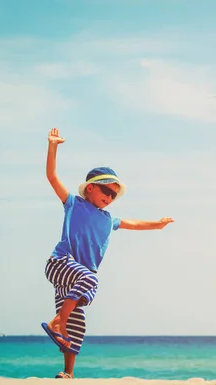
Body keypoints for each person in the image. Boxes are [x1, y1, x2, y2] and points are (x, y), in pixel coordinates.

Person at [41, 127, 175, 379]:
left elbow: (132, 223)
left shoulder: (108, 219)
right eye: (107, 191)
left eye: (114, 194)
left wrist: (157, 224)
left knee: (76, 325)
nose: (111, 197)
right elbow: (51, 176)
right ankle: (57, 321)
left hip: (77, 279)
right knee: (88, 281)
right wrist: (53, 146)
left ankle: (67, 372)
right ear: (90, 188)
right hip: (61, 263)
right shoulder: (73, 203)